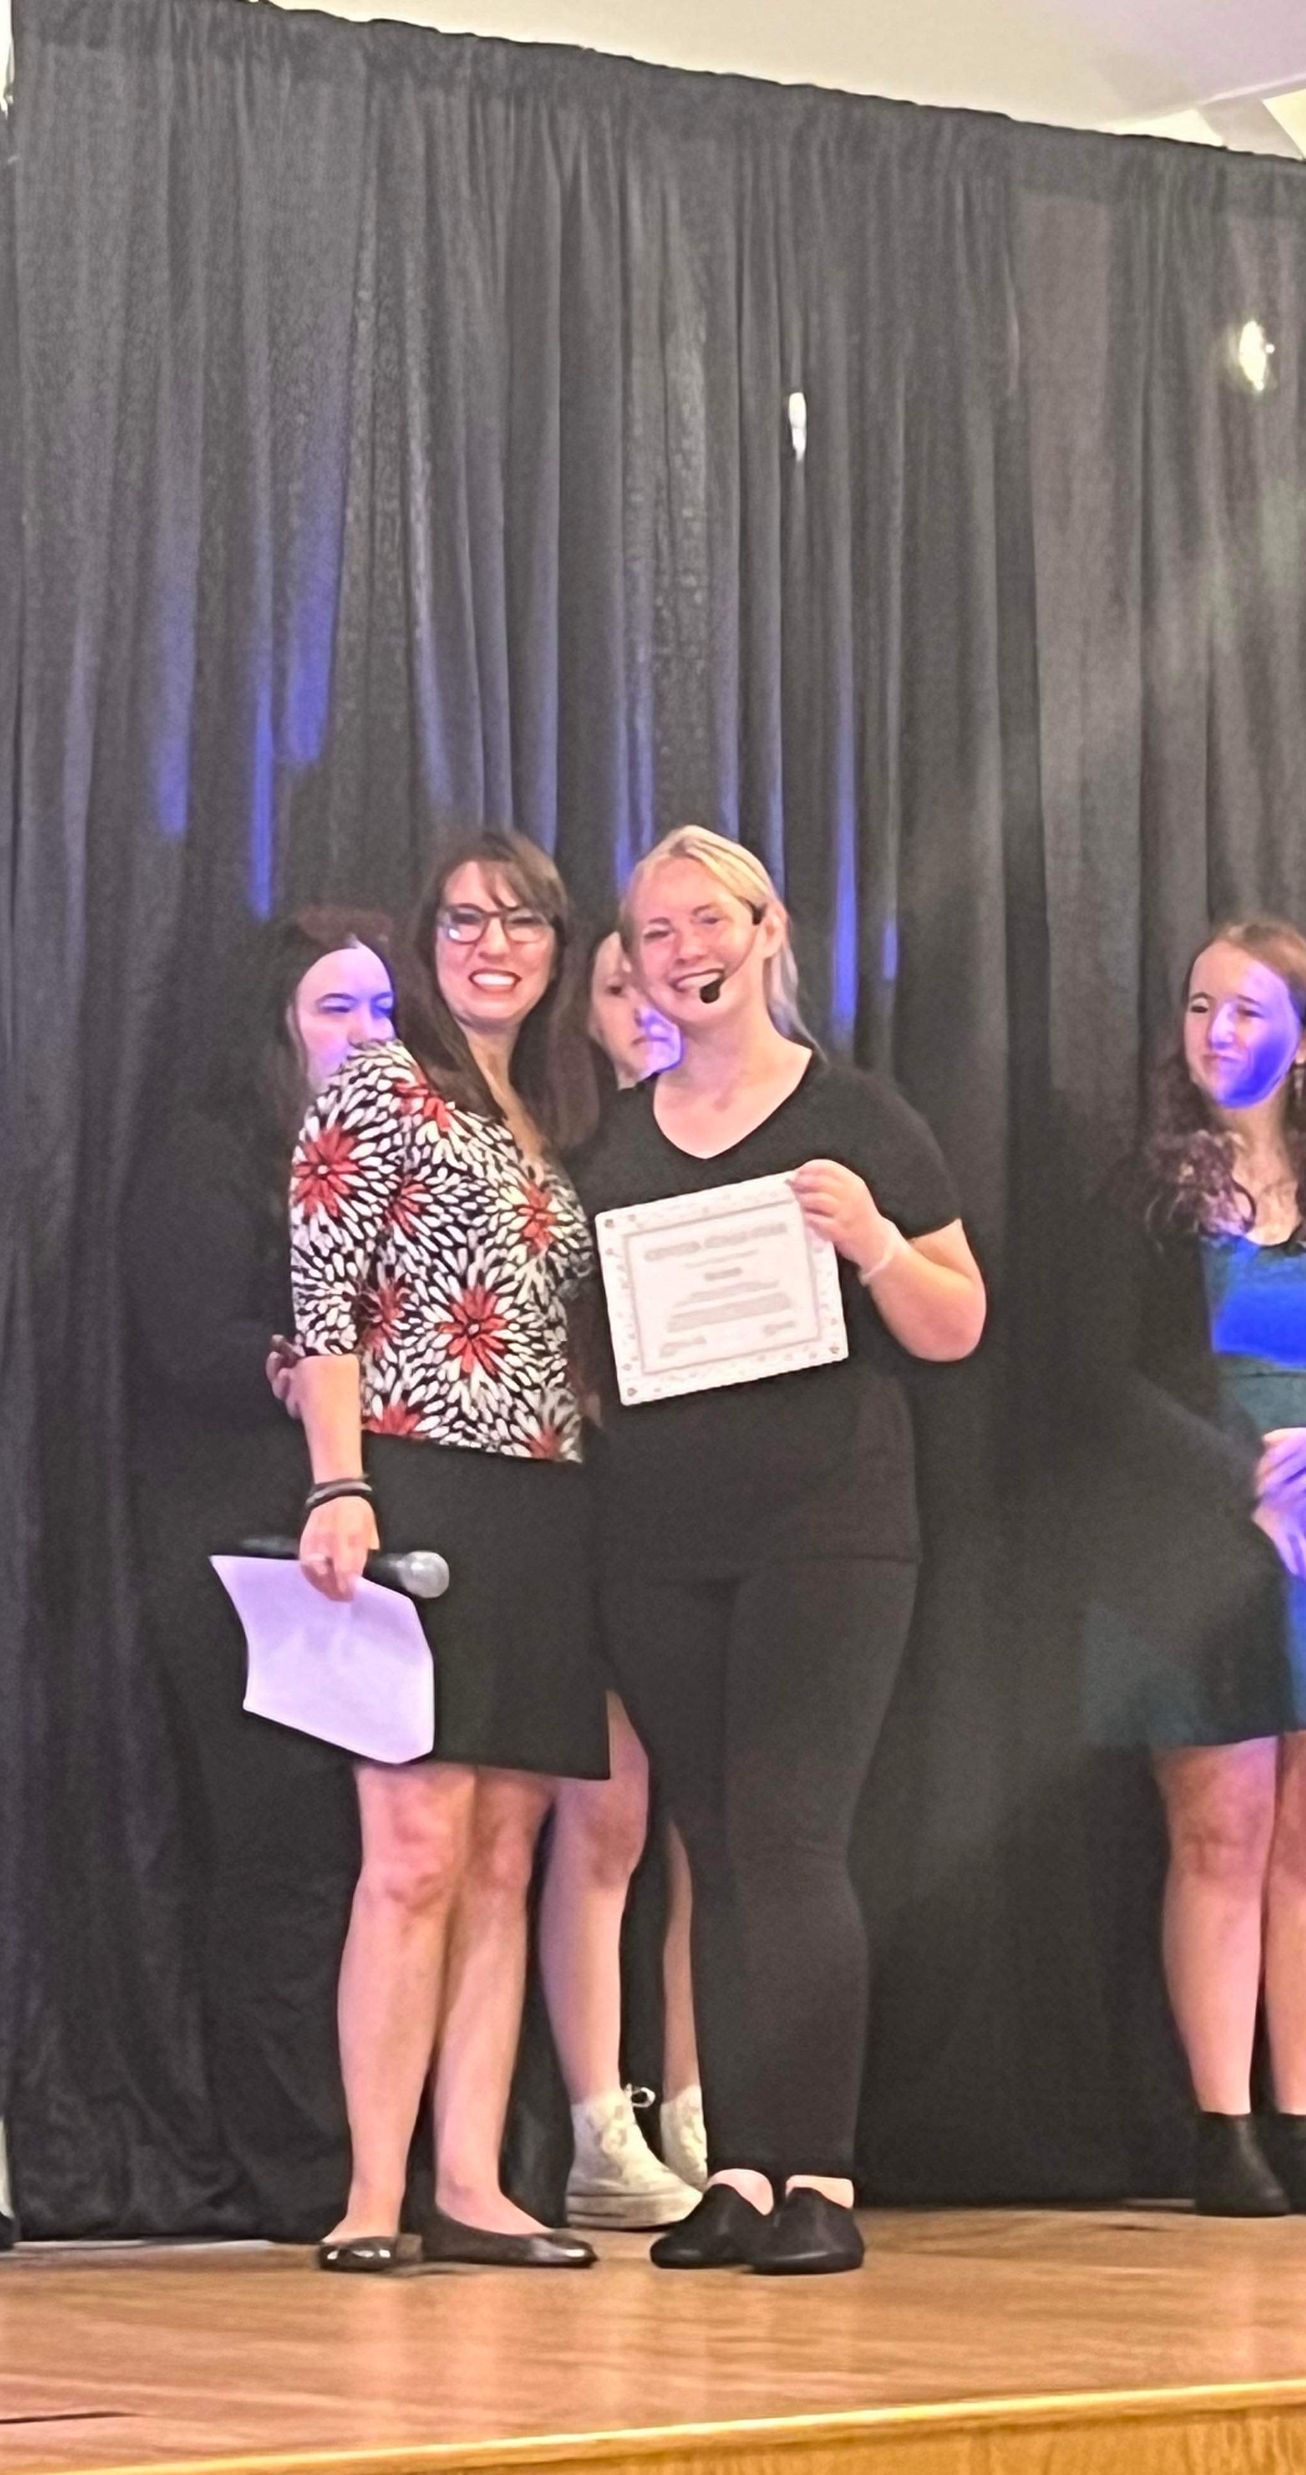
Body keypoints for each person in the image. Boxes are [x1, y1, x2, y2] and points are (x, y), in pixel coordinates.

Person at [577, 826, 985, 2276]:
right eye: (654, 931)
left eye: (708, 921)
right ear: (628, 962)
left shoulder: (860, 1117)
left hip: (831, 1532)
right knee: (713, 1848)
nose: (684, 951)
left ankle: (821, 2170)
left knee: (796, 1836)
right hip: (660, 1541)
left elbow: (957, 1322)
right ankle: (738, 2170)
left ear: (768, 931)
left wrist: (874, 1242)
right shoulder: (606, 1143)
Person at [1078, 918, 1306, 2219]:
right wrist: (1240, 1486)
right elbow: (1095, 1385)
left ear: (1305, 1042)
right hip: (1192, 1536)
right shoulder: (1147, 1195)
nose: (1216, 1034)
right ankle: (1223, 2124)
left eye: (1246, 1014)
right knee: (1219, 1831)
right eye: (1198, 1010)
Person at [290, 829, 606, 2272]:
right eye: (467, 919)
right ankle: (373, 2191)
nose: (495, 944)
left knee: (504, 1853)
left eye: (524, 921)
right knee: (410, 1851)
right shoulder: (378, 1087)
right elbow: (326, 1309)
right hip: (414, 1487)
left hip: (549, 1499)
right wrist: (338, 1486)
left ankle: (472, 2180)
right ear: (426, 941)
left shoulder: (561, 1112)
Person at [124, 907, 395, 2236]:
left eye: (385, 1011)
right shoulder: (213, 1156)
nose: (366, 1035)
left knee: (385, 1859)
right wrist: (293, 1375)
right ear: (280, 1021)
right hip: (243, 1554)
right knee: (281, 1857)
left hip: (380, 1553)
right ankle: (297, 2161)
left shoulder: (404, 1162)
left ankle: (390, 2146)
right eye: (338, 1008)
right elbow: (184, 1340)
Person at [540, 931, 701, 2230]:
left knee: (717, 1825)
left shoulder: (750, 1142)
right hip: (587, 1508)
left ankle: (702, 2098)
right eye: (615, 982)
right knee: (609, 1820)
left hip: (716, 1512)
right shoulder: (559, 1160)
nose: (647, 1001)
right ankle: (602, 2123)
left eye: (665, 978)